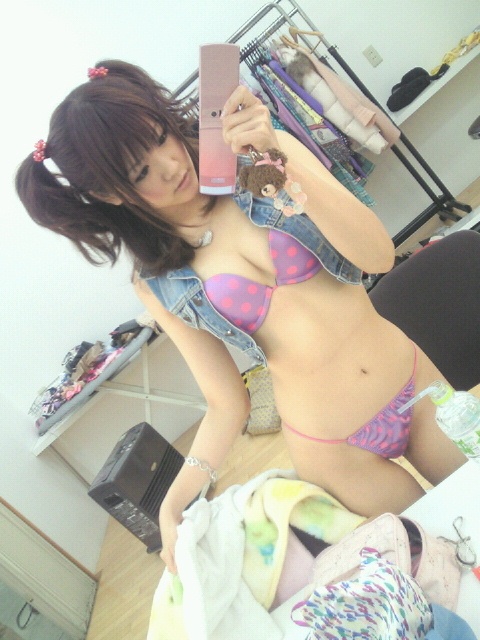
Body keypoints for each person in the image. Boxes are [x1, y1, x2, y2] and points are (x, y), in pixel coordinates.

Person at [16, 59, 466, 574]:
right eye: (140, 172)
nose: (170, 164)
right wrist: (175, 499)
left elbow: (378, 257)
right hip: (336, 449)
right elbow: (226, 402)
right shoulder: (158, 282)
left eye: (160, 136)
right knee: (446, 567)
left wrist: (281, 159)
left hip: (415, 384)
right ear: (109, 194)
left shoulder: (263, 159)